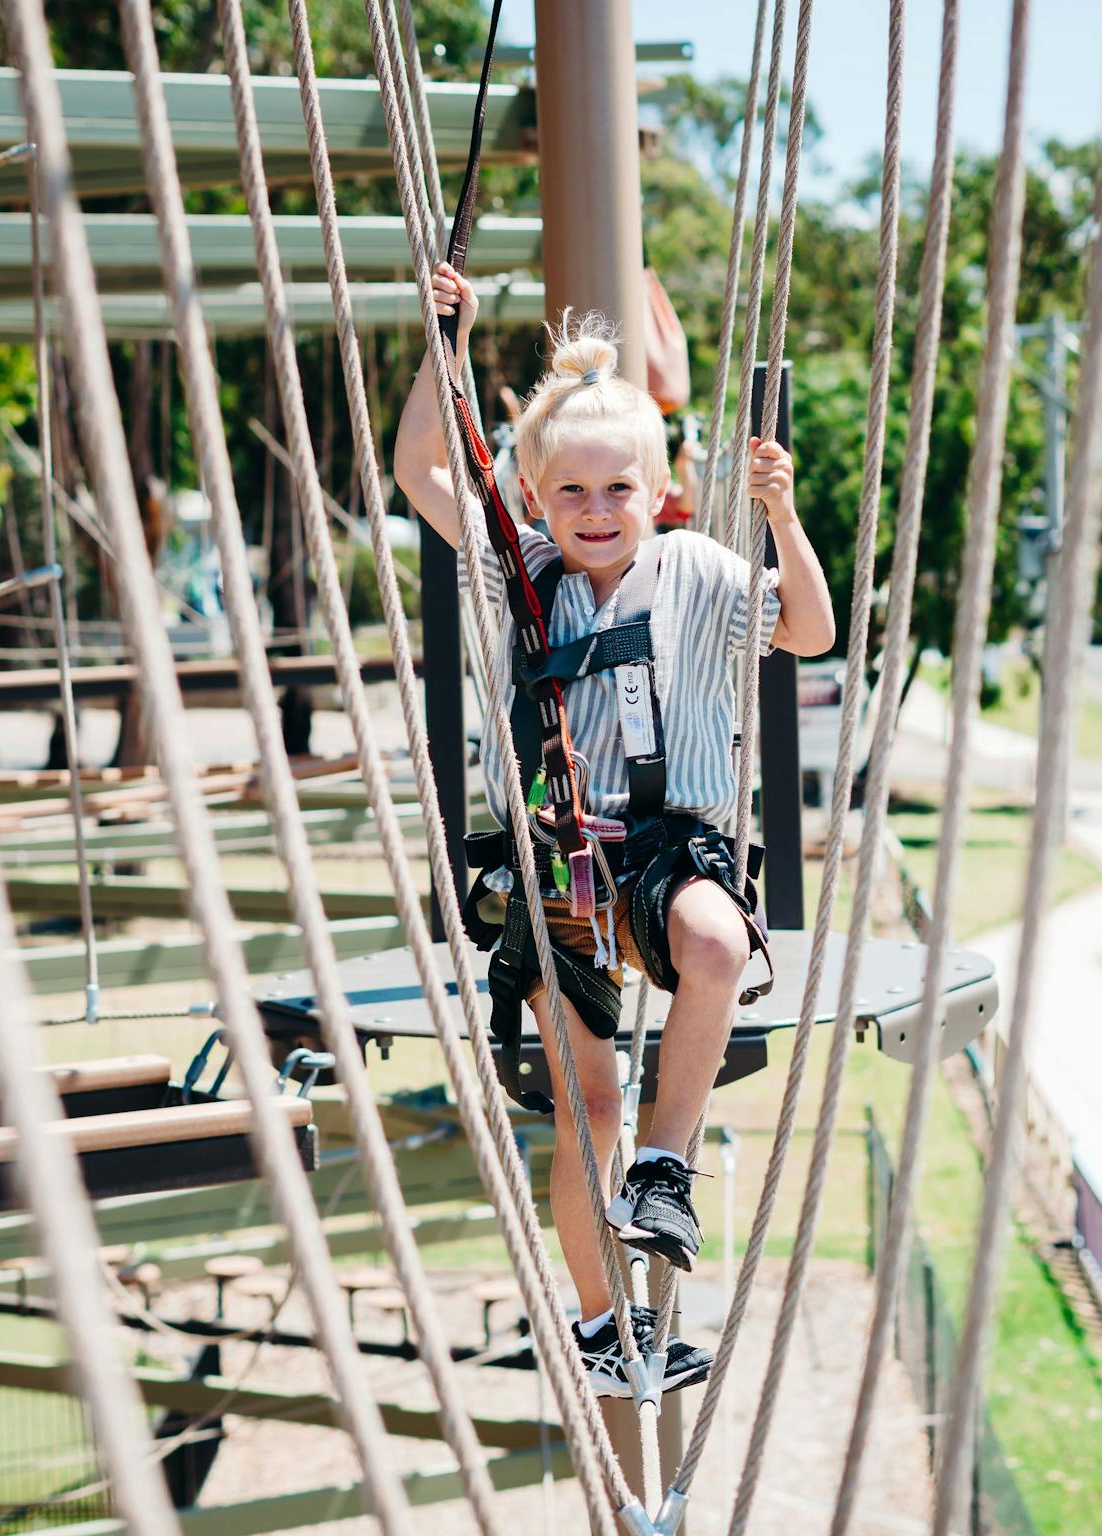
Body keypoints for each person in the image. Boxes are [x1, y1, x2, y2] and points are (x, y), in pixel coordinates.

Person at [393, 264, 836, 1398]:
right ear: (538, 501)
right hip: (552, 868)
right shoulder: (520, 574)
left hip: (664, 854)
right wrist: (443, 346)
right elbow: (417, 472)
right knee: (583, 1105)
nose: (595, 514)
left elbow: (810, 630)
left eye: (618, 492)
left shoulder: (691, 568)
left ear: (657, 490)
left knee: (718, 946)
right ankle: (600, 1326)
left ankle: (663, 1167)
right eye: (572, 494)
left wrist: (780, 515)